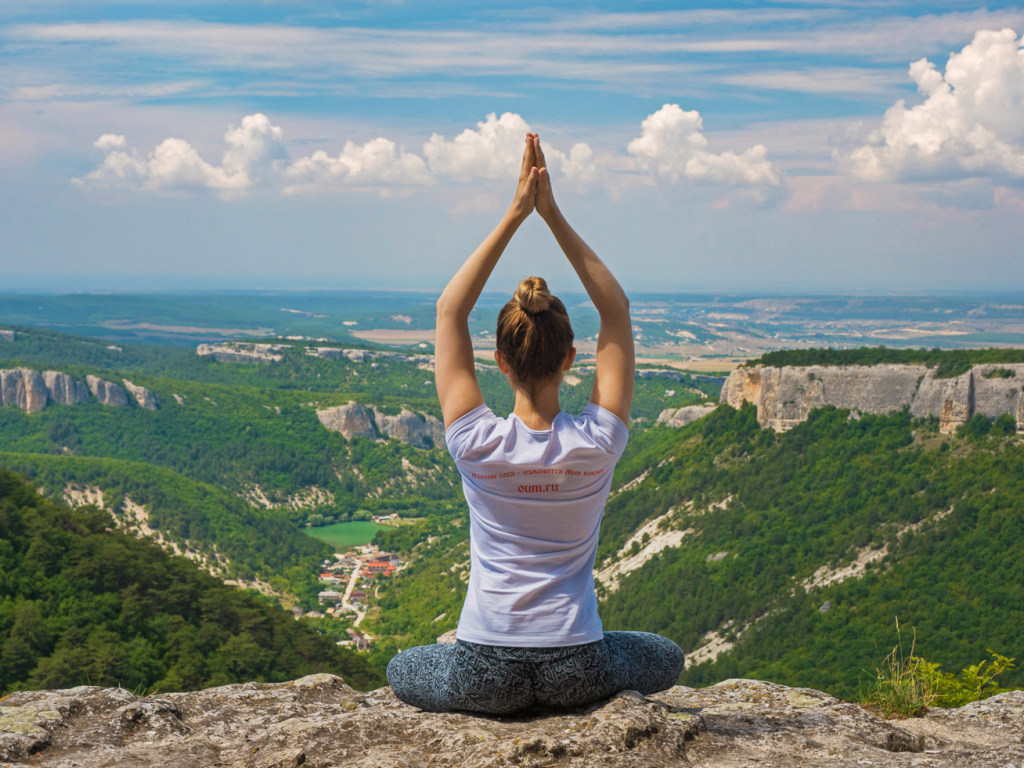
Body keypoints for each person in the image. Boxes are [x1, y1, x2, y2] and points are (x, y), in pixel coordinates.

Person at [386, 133, 684, 715]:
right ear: (572, 359)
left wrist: (516, 213)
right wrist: (553, 215)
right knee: (665, 655)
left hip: (484, 669)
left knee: (402, 667)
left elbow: (450, 310)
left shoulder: (476, 442)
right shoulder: (598, 443)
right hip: (577, 664)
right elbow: (616, 312)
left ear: (499, 362)